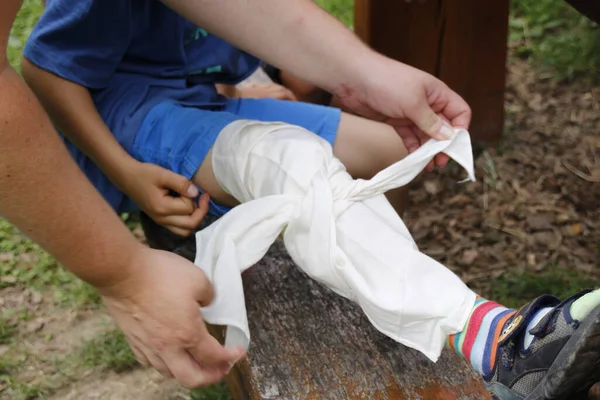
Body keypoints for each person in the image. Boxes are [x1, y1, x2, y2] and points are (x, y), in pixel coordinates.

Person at [19, 1, 600, 399]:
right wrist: (123, 173)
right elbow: (43, 71)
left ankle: (305, 208)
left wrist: (256, 84)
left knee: (384, 145)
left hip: (203, 99)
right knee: (291, 162)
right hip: (137, 114)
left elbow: (259, 21)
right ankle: (492, 338)